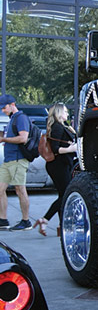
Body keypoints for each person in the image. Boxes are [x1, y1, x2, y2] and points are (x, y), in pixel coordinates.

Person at [34, 103, 77, 236]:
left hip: (61, 164)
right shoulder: (57, 127)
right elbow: (55, 148)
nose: (67, 114)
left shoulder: (62, 126)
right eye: (65, 111)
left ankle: (61, 226)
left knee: (62, 195)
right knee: (66, 195)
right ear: (58, 113)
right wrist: (71, 148)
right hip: (58, 165)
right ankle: (45, 219)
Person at [0, 94, 32, 230]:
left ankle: (26, 221)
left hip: (18, 160)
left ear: (12, 105)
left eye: (4, 108)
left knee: (20, 190)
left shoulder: (21, 118)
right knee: (0, 189)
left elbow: (23, 138)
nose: (3, 110)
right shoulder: (11, 119)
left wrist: (3, 139)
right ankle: (3, 220)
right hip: (8, 160)